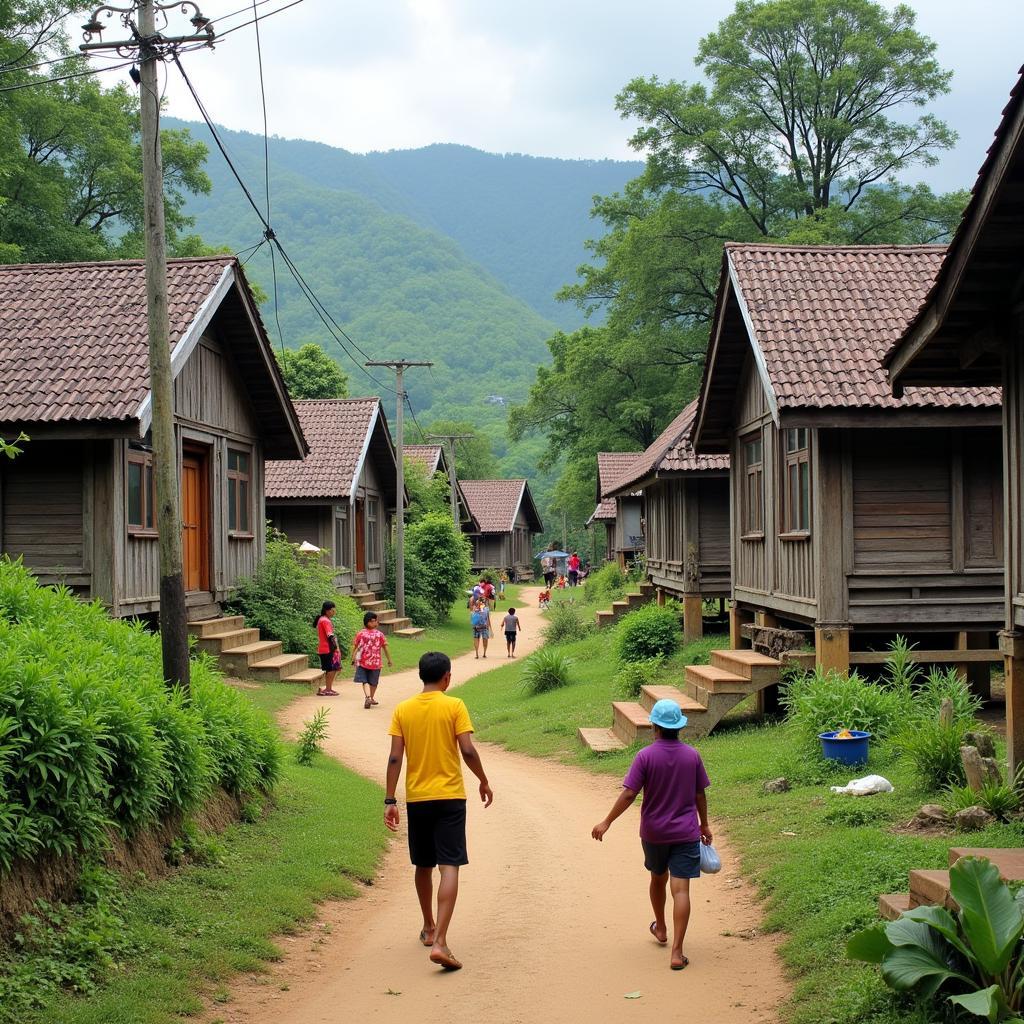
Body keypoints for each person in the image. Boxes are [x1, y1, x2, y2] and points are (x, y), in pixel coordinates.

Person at [385, 651, 493, 972]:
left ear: (422, 675)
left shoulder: (402, 710)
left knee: (423, 864)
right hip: (450, 798)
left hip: (417, 798)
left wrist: (390, 800)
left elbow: (394, 758)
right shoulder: (455, 706)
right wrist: (484, 781)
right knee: (450, 865)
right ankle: (442, 942)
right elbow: (468, 749)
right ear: (446, 676)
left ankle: (429, 927)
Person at [591, 699, 712, 972]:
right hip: (685, 832)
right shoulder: (692, 755)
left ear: (654, 726)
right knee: (681, 890)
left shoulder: (645, 756)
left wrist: (607, 821)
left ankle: (660, 928)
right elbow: (699, 794)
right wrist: (704, 825)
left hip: (654, 833)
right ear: (679, 727)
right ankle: (677, 952)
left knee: (658, 879)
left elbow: (630, 793)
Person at [352, 611, 393, 709]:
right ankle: (371, 697)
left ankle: (368, 697)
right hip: (376, 663)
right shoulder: (380, 635)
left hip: (362, 662)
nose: (376, 623)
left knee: (364, 681)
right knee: (374, 682)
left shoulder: (360, 633)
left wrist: (353, 658)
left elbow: (356, 647)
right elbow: (385, 648)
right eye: (374, 621)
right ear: (368, 622)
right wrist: (389, 660)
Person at [314, 601, 341, 697]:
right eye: (333, 610)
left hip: (324, 648)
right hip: (327, 648)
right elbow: (330, 635)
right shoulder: (325, 621)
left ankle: (327, 688)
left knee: (330, 669)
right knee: (331, 669)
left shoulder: (322, 619)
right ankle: (327, 689)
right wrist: (336, 648)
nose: (334, 612)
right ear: (327, 611)